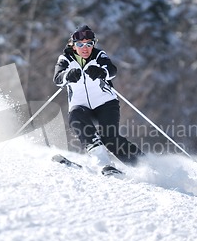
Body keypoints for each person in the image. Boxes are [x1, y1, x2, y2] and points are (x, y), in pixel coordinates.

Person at [53, 25, 143, 173]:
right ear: (73, 45)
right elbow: (57, 78)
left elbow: (111, 70)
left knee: (110, 138)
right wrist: (67, 75)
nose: (85, 48)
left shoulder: (99, 55)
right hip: (80, 105)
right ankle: (102, 163)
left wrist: (102, 72)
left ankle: (142, 165)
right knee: (76, 118)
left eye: (89, 44)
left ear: (93, 44)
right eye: (80, 44)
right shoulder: (65, 58)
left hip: (105, 103)